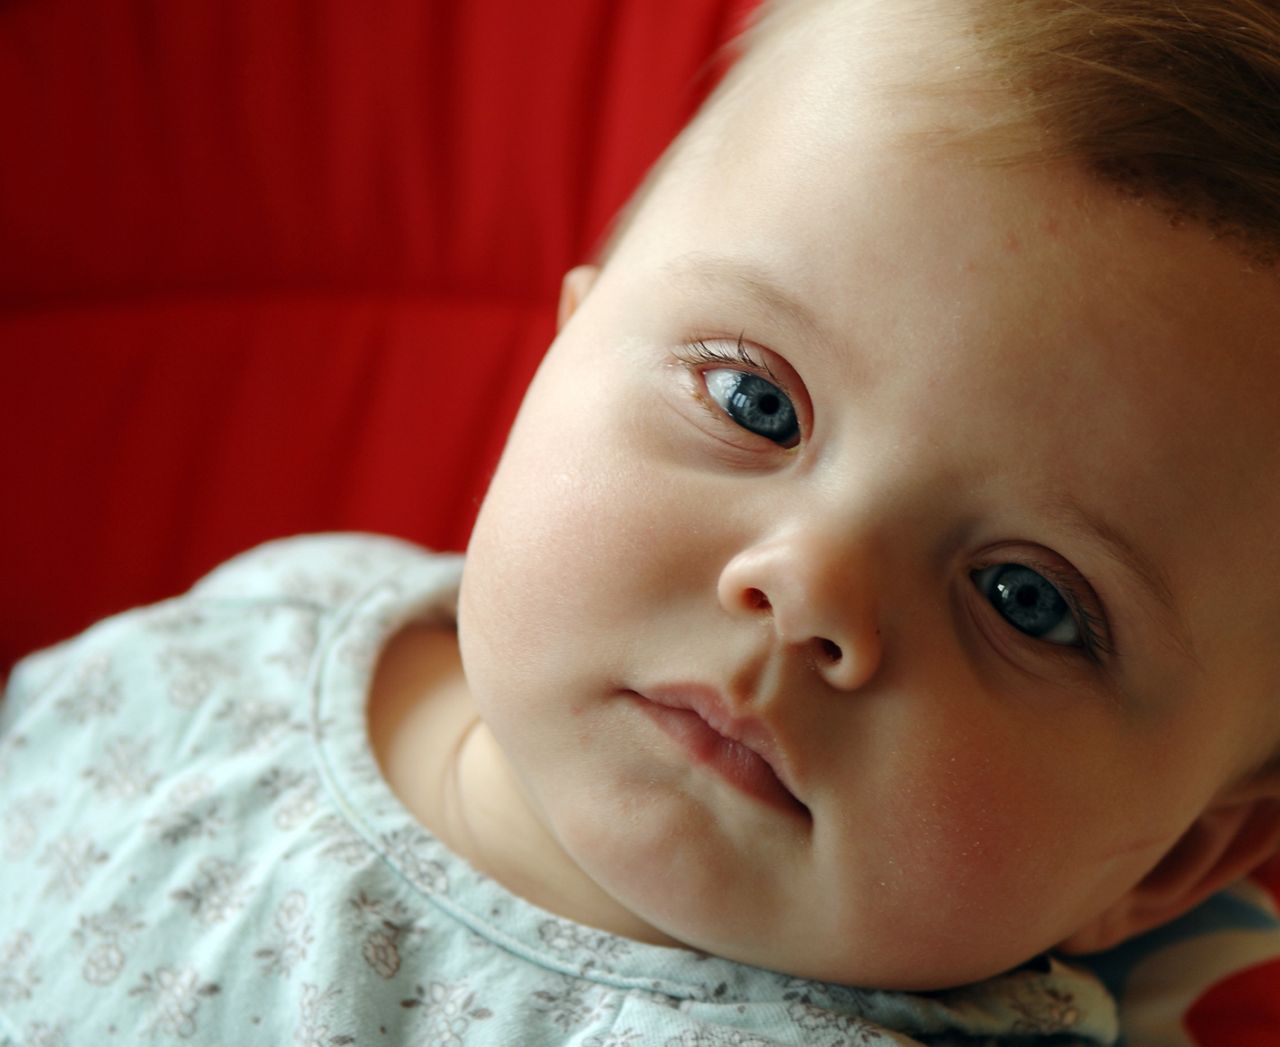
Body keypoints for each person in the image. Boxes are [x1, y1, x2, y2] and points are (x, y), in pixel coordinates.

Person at [3, 0, 1280, 1042]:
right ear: (565, 349)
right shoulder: (271, 620)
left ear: (1173, 859)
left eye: (1028, 599)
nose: (808, 585)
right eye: (752, 400)